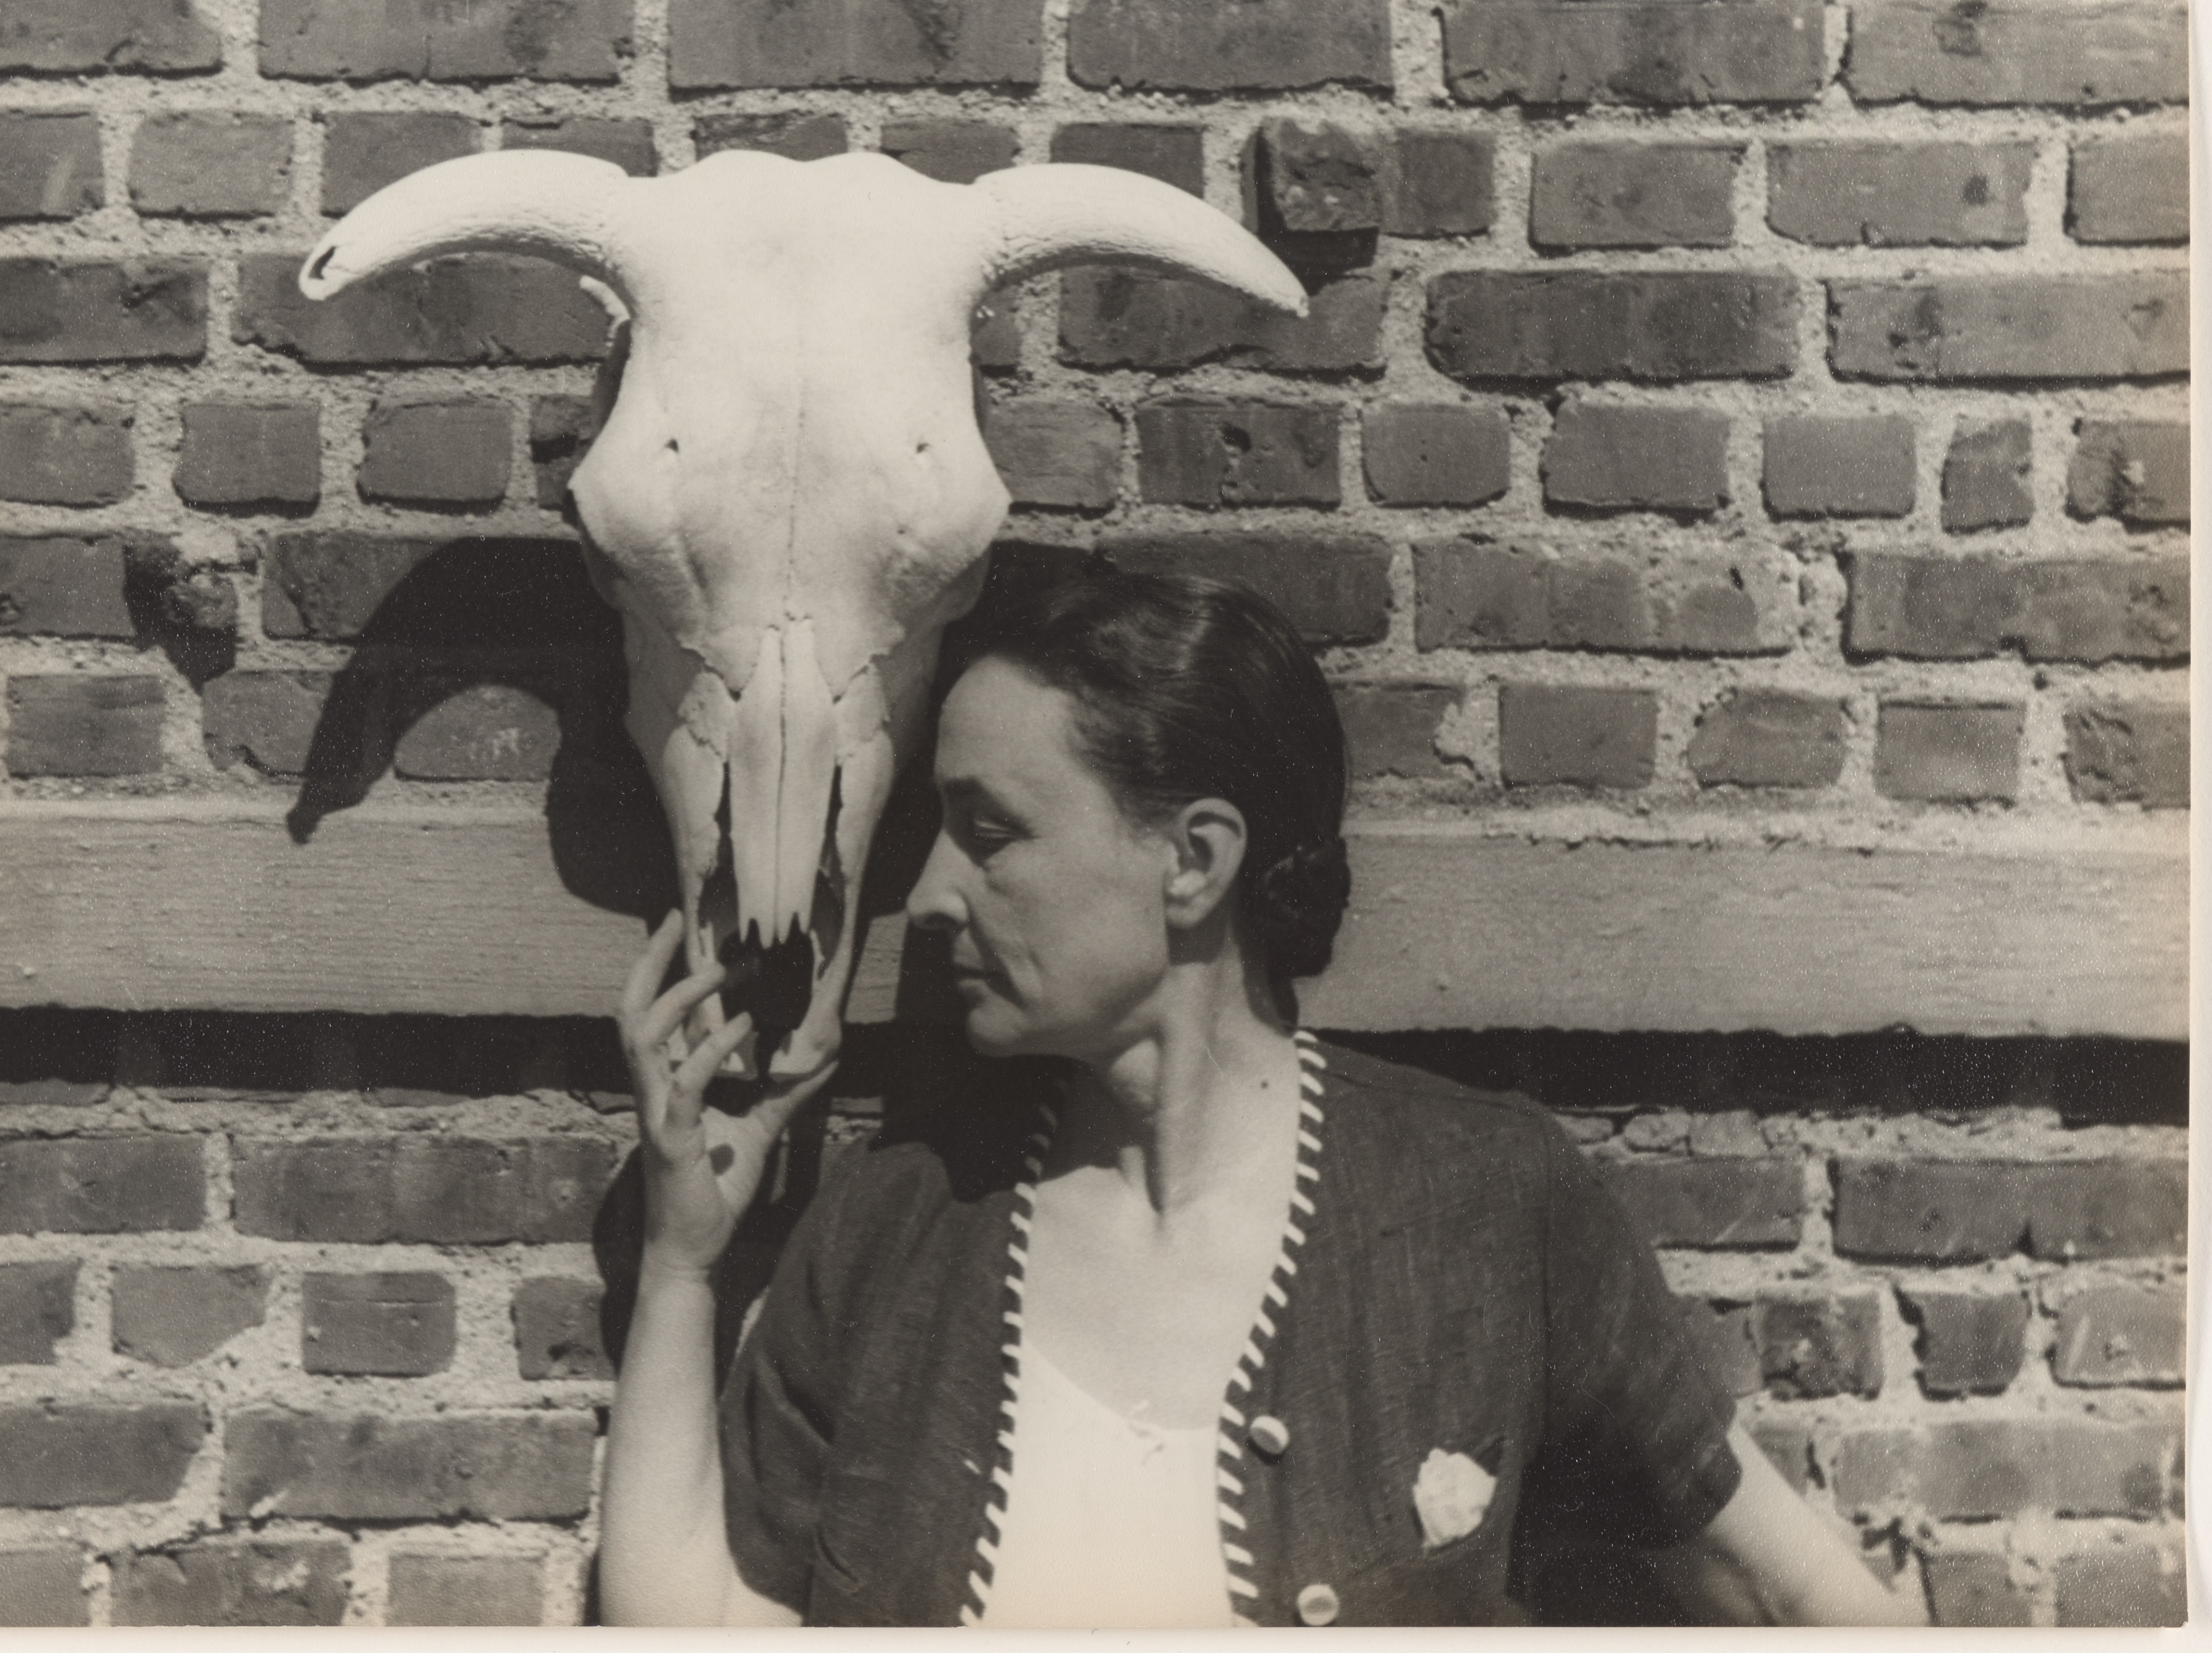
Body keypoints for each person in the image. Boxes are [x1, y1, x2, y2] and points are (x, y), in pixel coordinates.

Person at [598, 565, 1923, 1628]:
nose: (932, 896)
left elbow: (1787, 1591)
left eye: (988, 833)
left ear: (1195, 861)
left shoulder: (1485, 1209)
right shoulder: (894, 1232)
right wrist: (679, 1264)